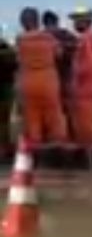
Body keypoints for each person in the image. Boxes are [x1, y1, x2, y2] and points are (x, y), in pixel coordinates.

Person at [14, 9, 67, 146]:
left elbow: (18, 59)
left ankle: (35, 146)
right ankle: (58, 144)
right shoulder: (49, 38)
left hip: (28, 82)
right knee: (53, 114)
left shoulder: (20, 40)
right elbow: (59, 54)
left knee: (32, 116)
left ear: (23, 23)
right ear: (37, 21)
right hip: (48, 81)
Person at [69, 6, 92, 152]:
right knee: (88, 121)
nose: (74, 24)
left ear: (85, 21)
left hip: (84, 87)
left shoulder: (88, 38)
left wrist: (76, 75)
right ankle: (91, 151)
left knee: (86, 123)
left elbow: (89, 64)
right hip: (89, 86)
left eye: (76, 20)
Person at [41, 10, 76, 133]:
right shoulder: (66, 35)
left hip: (49, 79)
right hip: (64, 77)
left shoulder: (42, 37)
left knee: (49, 109)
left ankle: (50, 136)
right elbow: (75, 47)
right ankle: (71, 135)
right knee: (67, 109)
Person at [0, 24, 16, 143]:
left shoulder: (6, 47)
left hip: (5, 86)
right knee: (4, 119)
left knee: (3, 119)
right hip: (6, 86)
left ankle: (4, 146)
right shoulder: (7, 48)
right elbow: (15, 65)